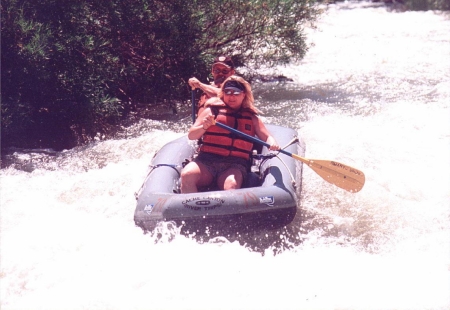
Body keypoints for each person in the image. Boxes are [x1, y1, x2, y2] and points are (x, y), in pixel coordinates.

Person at [180, 76, 280, 193]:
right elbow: (191, 135)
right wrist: (204, 127)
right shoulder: (211, 111)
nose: (231, 96)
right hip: (206, 160)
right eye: (227, 92)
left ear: (243, 95)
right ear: (223, 94)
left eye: (236, 93)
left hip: (235, 164)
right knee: (187, 175)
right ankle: (192, 210)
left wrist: (272, 143)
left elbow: (267, 137)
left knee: (231, 185)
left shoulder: (251, 118)